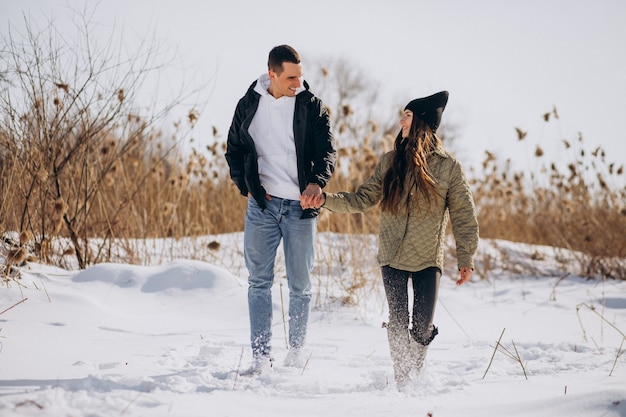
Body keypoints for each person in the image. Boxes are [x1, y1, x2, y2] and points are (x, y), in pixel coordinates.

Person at [302, 91, 478, 387]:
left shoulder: (448, 168)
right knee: (397, 321)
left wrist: (466, 258)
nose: (401, 121)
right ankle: (402, 377)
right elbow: (361, 199)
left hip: (426, 258)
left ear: (422, 121)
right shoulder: (391, 161)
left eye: (407, 116)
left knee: (421, 328)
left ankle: (416, 370)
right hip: (392, 255)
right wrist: (325, 200)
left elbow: (463, 215)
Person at [225, 45, 337, 375]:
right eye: (290, 77)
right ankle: (260, 357)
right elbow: (233, 148)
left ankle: (297, 352)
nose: (297, 83)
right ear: (271, 74)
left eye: (300, 76)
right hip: (263, 205)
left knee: (300, 285)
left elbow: (328, 151)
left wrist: (317, 182)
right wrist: (248, 188)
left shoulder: (311, 106)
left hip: (300, 208)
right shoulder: (249, 104)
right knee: (258, 282)